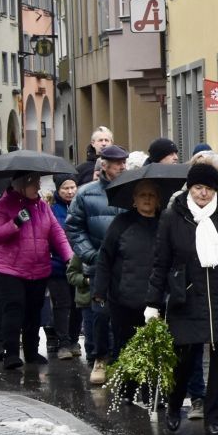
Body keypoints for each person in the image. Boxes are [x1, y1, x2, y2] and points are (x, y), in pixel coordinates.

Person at [146, 161, 218, 435]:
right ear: (189, 188)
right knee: (184, 358)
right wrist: (153, 303)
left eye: (208, 188)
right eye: (198, 188)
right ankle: (173, 403)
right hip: (187, 295)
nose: (203, 194)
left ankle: (213, 418)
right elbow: (160, 263)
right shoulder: (173, 216)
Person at [0, 173, 75, 370]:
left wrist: (69, 257)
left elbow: (57, 233)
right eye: (34, 183)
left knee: (34, 310)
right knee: (14, 308)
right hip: (8, 268)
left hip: (38, 267)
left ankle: (31, 351)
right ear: (21, 185)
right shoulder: (2, 205)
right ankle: (10, 354)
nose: (38, 186)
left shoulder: (42, 206)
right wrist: (15, 223)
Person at [65, 145, 129, 384]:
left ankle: (123, 360)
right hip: (99, 265)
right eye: (117, 162)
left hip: (128, 266)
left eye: (124, 162)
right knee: (100, 315)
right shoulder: (86, 193)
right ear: (104, 165)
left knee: (126, 315)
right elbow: (73, 228)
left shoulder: (131, 190)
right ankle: (100, 359)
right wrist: (90, 255)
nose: (122, 166)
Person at [97, 179, 164, 389]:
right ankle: (127, 388)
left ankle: (152, 390)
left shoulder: (165, 223)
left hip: (157, 298)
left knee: (153, 347)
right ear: (134, 199)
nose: (147, 199)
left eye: (151, 195)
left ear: (158, 200)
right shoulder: (121, 223)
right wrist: (99, 290)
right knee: (125, 344)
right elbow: (105, 257)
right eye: (142, 195)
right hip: (123, 298)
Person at [46, 174, 84, 359]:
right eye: (65, 188)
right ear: (58, 190)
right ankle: (63, 343)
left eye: (72, 187)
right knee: (62, 304)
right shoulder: (52, 209)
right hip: (57, 266)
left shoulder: (81, 205)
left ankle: (74, 340)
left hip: (79, 265)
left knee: (78, 304)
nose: (70, 192)